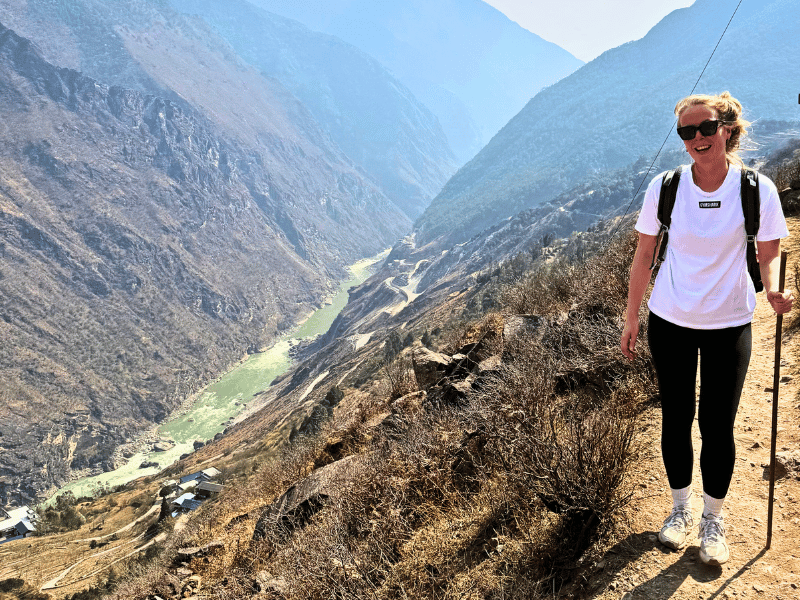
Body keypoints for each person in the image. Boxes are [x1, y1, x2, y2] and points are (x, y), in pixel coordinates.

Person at [620, 91, 793, 566]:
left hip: (729, 322)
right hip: (670, 319)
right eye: (686, 132)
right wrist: (632, 315)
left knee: (717, 426)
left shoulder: (757, 189)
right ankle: (679, 510)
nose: (696, 138)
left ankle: (711, 519)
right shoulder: (667, 186)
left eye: (705, 128)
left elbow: (770, 250)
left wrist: (774, 288)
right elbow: (644, 255)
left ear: (728, 130)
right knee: (676, 419)